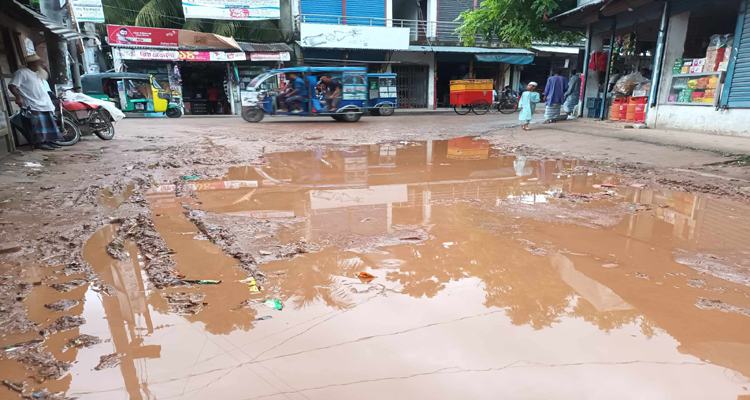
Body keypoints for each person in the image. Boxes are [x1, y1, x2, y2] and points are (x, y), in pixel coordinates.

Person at [9, 55, 62, 150]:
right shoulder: (22, 73)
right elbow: (12, 86)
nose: (42, 64)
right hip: (32, 103)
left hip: (44, 103)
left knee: (48, 123)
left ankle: (48, 141)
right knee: (38, 125)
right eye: (40, 62)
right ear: (32, 64)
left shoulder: (38, 74)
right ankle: (39, 143)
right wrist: (18, 97)